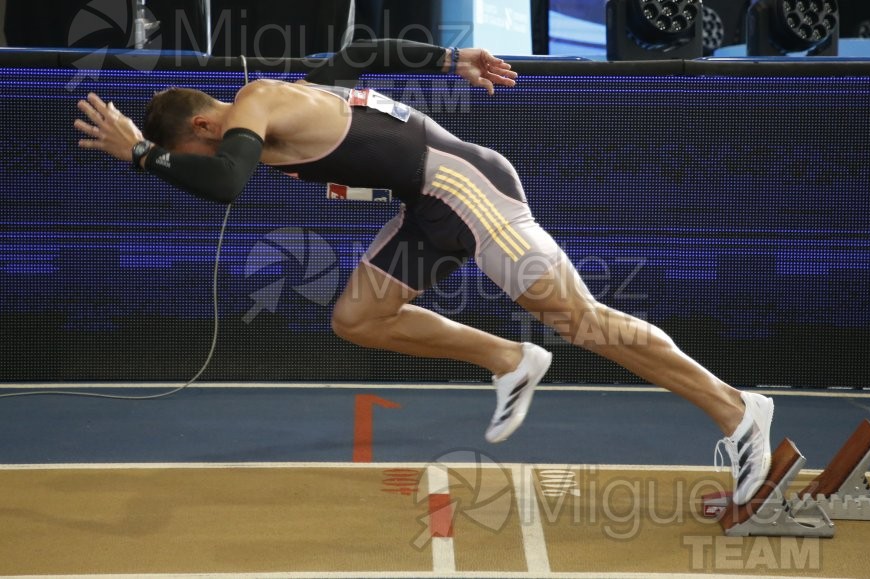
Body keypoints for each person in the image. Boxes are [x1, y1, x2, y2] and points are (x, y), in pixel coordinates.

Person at [74, 38, 774, 505]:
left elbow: (225, 182)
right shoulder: (292, 97)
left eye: (186, 154)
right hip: (431, 207)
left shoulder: (254, 102)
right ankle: (509, 359)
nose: (200, 159)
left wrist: (140, 157)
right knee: (357, 317)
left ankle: (740, 413)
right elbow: (358, 52)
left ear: (199, 130)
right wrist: (449, 57)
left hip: (466, 190)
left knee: (583, 320)